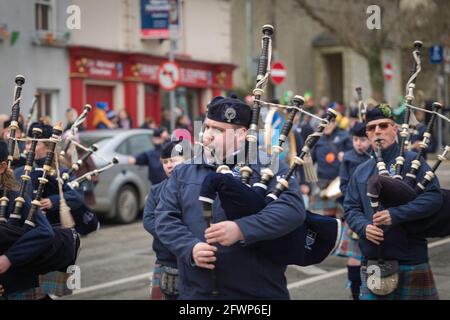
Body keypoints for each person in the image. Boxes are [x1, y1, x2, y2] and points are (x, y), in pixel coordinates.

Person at [154, 95, 305, 299]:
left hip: (257, 292)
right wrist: (190, 248)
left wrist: (242, 229)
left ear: (242, 134)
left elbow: (292, 210)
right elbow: (164, 217)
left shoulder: (267, 166)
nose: (207, 135)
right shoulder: (185, 171)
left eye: (218, 130)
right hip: (198, 292)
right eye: (206, 127)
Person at [344, 104, 442, 300]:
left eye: (383, 125)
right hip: (374, 259)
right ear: (367, 134)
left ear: (395, 129)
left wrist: (395, 215)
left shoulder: (413, 160)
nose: (377, 131)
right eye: (371, 128)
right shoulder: (361, 170)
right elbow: (351, 207)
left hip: (411, 258)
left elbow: (433, 197)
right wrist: (364, 227)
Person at [14, 122, 86, 299]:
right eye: (28, 142)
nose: (28, 146)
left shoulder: (60, 172)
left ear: (48, 148)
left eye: (34, 143)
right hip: (28, 237)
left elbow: (77, 197)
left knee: (45, 291)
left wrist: (52, 201)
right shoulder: (21, 170)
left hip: (53, 238)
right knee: (32, 291)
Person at [0, 140, 55, 300]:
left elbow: (45, 232)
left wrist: (9, 258)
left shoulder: (17, 195)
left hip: (19, 285)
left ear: (2, 167)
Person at [143, 139, 186, 300]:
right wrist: (173, 236)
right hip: (165, 260)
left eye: (173, 160)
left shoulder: (196, 186)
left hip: (192, 260)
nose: (169, 165)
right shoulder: (156, 191)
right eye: (165, 162)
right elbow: (148, 220)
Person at [335, 122, 372, 300]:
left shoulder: (375, 158)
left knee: (372, 256)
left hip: (374, 213)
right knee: (355, 256)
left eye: (363, 139)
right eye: (356, 139)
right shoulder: (348, 158)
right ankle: (355, 292)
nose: (359, 143)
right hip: (355, 212)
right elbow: (343, 184)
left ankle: (372, 290)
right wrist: (355, 198)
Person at [311, 112, 352, 216]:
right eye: (324, 123)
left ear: (334, 123)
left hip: (341, 181)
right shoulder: (317, 138)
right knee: (328, 213)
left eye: (329, 123)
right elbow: (311, 160)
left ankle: (345, 231)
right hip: (323, 182)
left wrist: (346, 155)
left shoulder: (344, 136)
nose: (327, 126)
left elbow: (354, 154)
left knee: (346, 212)